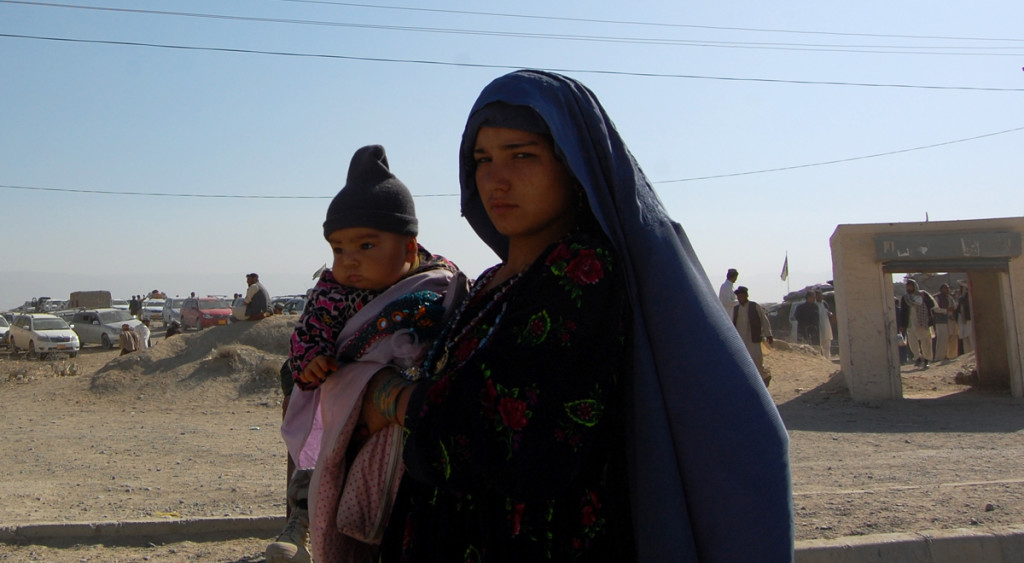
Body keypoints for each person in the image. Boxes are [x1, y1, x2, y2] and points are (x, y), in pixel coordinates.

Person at [359, 70, 792, 562]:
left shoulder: (583, 270)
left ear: (572, 164)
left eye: (523, 155)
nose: (495, 179)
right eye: (482, 159)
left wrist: (390, 399)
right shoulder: (489, 283)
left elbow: (498, 435)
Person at [267, 145, 464, 563]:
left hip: (410, 427)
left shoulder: (440, 285)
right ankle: (299, 517)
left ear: (410, 249)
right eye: (339, 249)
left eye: (366, 246)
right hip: (342, 407)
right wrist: (313, 361)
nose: (349, 261)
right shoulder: (333, 292)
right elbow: (307, 334)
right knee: (321, 471)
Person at [731, 286, 774, 385]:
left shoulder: (754, 306)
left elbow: (764, 320)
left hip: (753, 338)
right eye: (738, 296)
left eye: (741, 296)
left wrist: (768, 334)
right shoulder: (736, 309)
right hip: (741, 340)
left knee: (756, 360)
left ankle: (765, 376)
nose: (740, 298)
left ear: (746, 296)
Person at [899, 278, 935, 368]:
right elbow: (903, 311)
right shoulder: (905, 298)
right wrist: (902, 325)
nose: (909, 288)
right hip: (911, 321)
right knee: (912, 341)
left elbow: (932, 305)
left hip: (923, 321)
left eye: (911, 286)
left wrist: (925, 299)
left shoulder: (923, 294)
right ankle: (917, 358)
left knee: (926, 340)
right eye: (908, 286)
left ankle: (927, 359)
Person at [934, 284, 958, 361]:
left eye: (947, 288)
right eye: (945, 288)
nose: (947, 290)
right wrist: (946, 310)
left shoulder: (950, 298)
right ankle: (939, 357)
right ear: (941, 289)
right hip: (941, 321)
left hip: (950, 320)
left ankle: (950, 355)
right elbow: (936, 309)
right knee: (942, 339)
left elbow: (954, 306)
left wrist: (952, 312)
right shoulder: (937, 298)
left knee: (951, 337)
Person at [815, 289, 835, 357]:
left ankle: (827, 358)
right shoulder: (814, 305)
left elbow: (828, 311)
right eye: (818, 296)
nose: (820, 297)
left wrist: (829, 313)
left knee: (827, 343)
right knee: (819, 343)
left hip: (826, 325)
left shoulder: (824, 303)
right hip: (819, 326)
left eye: (821, 295)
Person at [956, 281, 974, 354]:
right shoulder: (961, 296)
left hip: (968, 318)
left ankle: (972, 350)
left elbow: (966, 304)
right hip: (963, 318)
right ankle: (968, 352)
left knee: (970, 335)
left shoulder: (968, 295)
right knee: (965, 336)